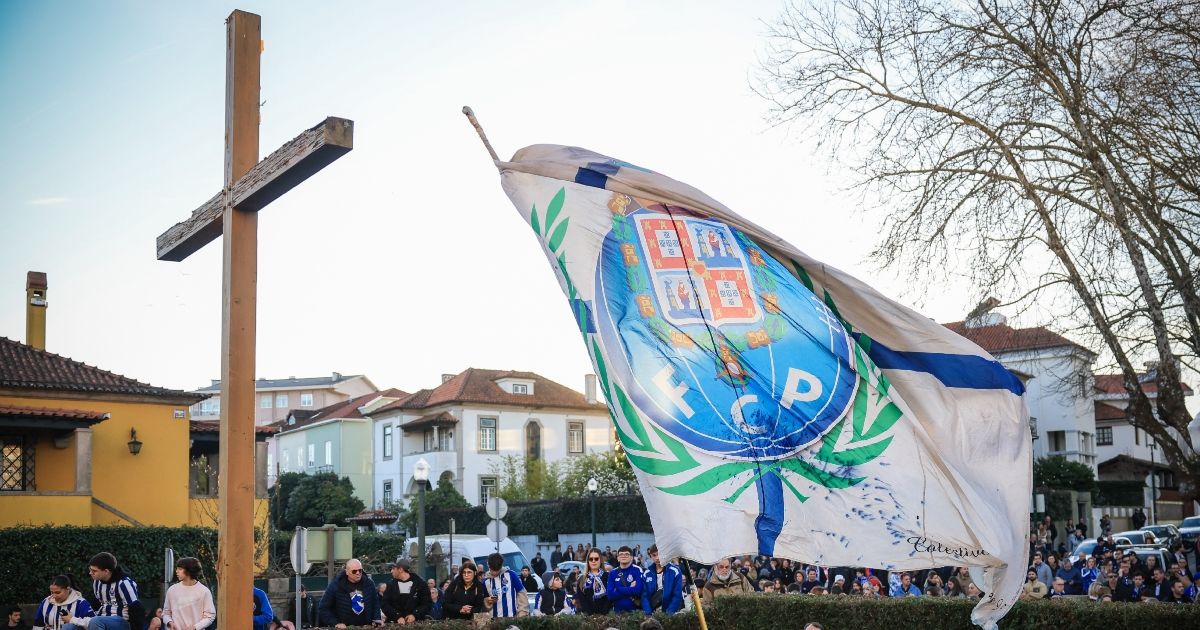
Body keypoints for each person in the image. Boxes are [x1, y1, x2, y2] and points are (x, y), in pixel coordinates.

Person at [65, 552, 145, 630]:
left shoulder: (124, 583)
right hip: (100, 619)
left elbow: (136, 609)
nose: (90, 573)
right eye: (90, 570)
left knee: (96, 621)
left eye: (94, 571)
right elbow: (96, 603)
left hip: (122, 622)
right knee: (69, 626)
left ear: (106, 571)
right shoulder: (97, 582)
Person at [318, 558, 382, 628]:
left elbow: (375, 603)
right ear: (347, 572)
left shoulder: (369, 583)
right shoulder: (336, 585)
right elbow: (323, 608)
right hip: (345, 627)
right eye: (354, 571)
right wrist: (335, 623)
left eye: (360, 570)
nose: (358, 573)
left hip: (366, 626)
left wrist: (377, 619)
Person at [162, 558, 215, 630]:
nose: (176, 571)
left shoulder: (204, 591)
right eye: (177, 569)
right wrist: (170, 622)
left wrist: (194, 627)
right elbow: (166, 613)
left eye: (180, 569)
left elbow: (210, 616)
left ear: (189, 570)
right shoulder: (172, 590)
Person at [380, 559, 431, 624]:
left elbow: (427, 603)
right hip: (395, 624)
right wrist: (397, 616)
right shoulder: (390, 585)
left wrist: (415, 615)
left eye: (393, 568)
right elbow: (385, 604)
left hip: (416, 624)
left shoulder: (420, 583)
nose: (391, 571)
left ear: (400, 569)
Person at [481, 552, 528, 618]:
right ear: (488, 565)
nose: (494, 573)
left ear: (501, 565)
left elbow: (522, 594)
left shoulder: (511, 575)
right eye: (492, 570)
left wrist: (522, 611)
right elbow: (482, 602)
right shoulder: (485, 581)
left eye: (497, 570)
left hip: (512, 618)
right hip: (494, 619)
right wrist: (487, 601)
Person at [641, 545, 683, 615]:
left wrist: (669, 613)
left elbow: (677, 594)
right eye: (654, 555)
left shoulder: (675, 571)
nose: (657, 558)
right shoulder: (647, 573)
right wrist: (648, 613)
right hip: (652, 611)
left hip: (671, 612)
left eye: (659, 554)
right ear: (650, 556)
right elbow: (644, 596)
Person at [605, 546, 643, 613]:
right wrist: (630, 587)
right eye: (621, 554)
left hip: (635, 612)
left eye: (626, 554)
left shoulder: (637, 570)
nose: (623, 556)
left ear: (631, 558)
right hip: (617, 613)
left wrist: (618, 589)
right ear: (618, 558)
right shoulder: (612, 572)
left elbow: (638, 590)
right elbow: (610, 595)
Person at [575, 550, 611, 615]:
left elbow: (609, 597)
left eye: (596, 559)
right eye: (591, 559)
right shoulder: (581, 579)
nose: (593, 561)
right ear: (588, 561)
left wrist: (603, 614)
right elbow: (581, 599)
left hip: (606, 615)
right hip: (588, 617)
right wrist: (589, 615)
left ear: (600, 560)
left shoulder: (608, 576)